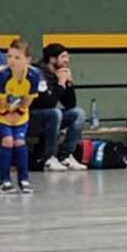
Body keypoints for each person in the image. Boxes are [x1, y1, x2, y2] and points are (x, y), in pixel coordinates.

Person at [31, 43, 87, 172]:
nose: (67, 60)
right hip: (31, 119)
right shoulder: (38, 74)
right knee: (55, 113)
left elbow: (70, 104)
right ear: (52, 59)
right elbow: (47, 103)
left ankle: (66, 155)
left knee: (78, 113)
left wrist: (68, 83)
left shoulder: (57, 74)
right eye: (63, 57)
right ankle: (49, 157)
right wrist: (60, 84)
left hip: (49, 117)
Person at [0, 39, 41, 194]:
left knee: (20, 141)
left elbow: (28, 99)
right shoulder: (4, 75)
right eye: (9, 56)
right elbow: (1, 101)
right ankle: (4, 180)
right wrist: (6, 114)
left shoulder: (34, 75)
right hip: (2, 113)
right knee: (8, 140)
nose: (12, 61)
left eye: (17, 57)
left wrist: (19, 112)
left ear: (27, 60)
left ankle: (24, 179)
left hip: (21, 113)